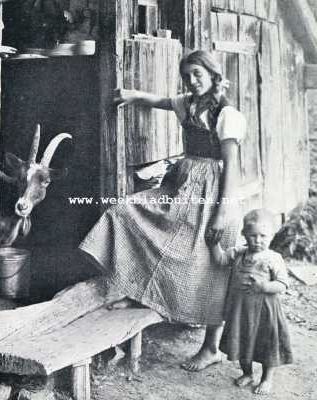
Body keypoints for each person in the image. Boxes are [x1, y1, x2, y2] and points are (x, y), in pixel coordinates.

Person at [79, 50, 247, 371]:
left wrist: (224, 211)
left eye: (197, 74)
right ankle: (134, 288)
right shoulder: (188, 104)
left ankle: (211, 347)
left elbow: (232, 167)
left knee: (213, 267)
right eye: (187, 76)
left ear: (213, 74)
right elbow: (161, 101)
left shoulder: (227, 115)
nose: (192, 81)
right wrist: (132, 95)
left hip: (215, 194)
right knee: (125, 212)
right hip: (180, 187)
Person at [210, 208, 293, 395]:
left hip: (265, 312)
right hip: (240, 311)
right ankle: (247, 373)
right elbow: (221, 260)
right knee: (241, 343)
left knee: (267, 346)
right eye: (253, 236)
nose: (258, 241)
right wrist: (214, 245)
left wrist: (264, 286)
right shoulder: (239, 253)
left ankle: (266, 378)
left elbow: (282, 284)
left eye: (263, 236)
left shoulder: (273, 258)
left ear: (271, 236)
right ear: (244, 234)